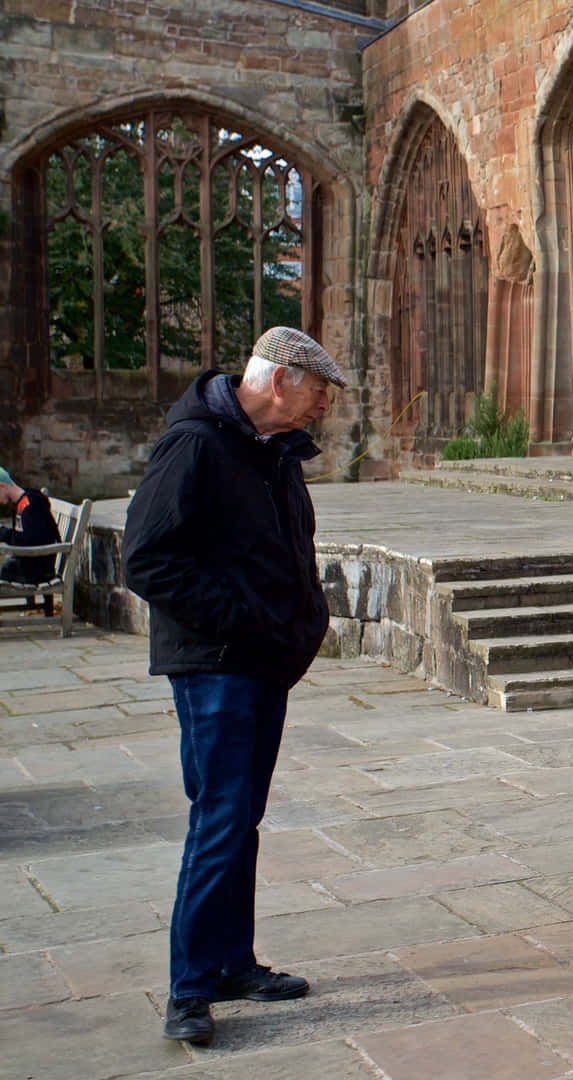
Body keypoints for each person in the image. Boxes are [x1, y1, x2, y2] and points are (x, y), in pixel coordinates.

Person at [122, 326, 346, 1045]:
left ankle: (231, 963)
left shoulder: (271, 452)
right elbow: (149, 560)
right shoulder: (195, 444)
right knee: (217, 817)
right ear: (279, 379)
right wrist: (245, 621)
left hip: (261, 660)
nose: (325, 405)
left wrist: (300, 623)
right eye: (319, 389)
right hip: (214, 661)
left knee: (240, 816)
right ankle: (189, 987)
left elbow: (289, 549)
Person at [0, 466, 60, 587]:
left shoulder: (30, 504)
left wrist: (2, 532)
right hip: (33, 565)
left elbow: (29, 540)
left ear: (2, 486)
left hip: (37, 571)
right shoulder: (24, 502)